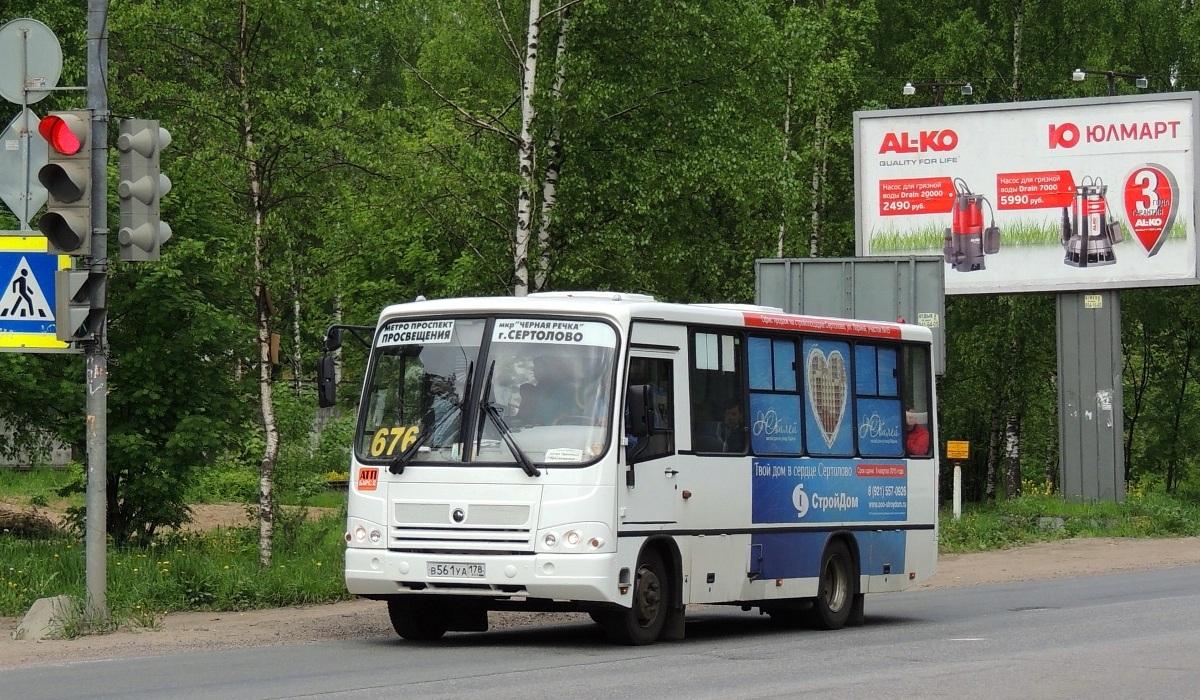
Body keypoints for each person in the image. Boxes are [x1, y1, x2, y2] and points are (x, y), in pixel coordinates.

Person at [515, 355, 580, 425]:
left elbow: (566, 417)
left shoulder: (570, 390)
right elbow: (526, 416)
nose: (535, 371)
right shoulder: (538, 389)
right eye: (535, 368)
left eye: (538, 368)